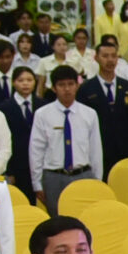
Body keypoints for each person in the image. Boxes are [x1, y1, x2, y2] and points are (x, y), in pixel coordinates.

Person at [28, 65, 102, 211]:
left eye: (70, 84)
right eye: (61, 85)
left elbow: (95, 149)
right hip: (54, 177)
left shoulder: (89, 114)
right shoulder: (42, 114)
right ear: (54, 88)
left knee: (84, 219)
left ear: (77, 86)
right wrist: (37, 183)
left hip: (83, 175)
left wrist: (97, 180)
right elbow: (36, 150)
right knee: (57, 222)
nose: (67, 89)